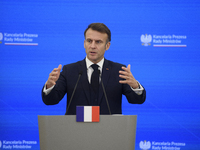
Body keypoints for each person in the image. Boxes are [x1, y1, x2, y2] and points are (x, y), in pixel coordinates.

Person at [42, 23, 146, 115]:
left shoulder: (118, 70)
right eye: (89, 41)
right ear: (84, 43)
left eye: (98, 42)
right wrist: (49, 86)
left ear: (107, 46)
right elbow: (51, 101)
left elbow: (136, 100)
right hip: (76, 132)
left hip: (109, 132)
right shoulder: (70, 70)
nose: (92, 46)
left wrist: (135, 86)